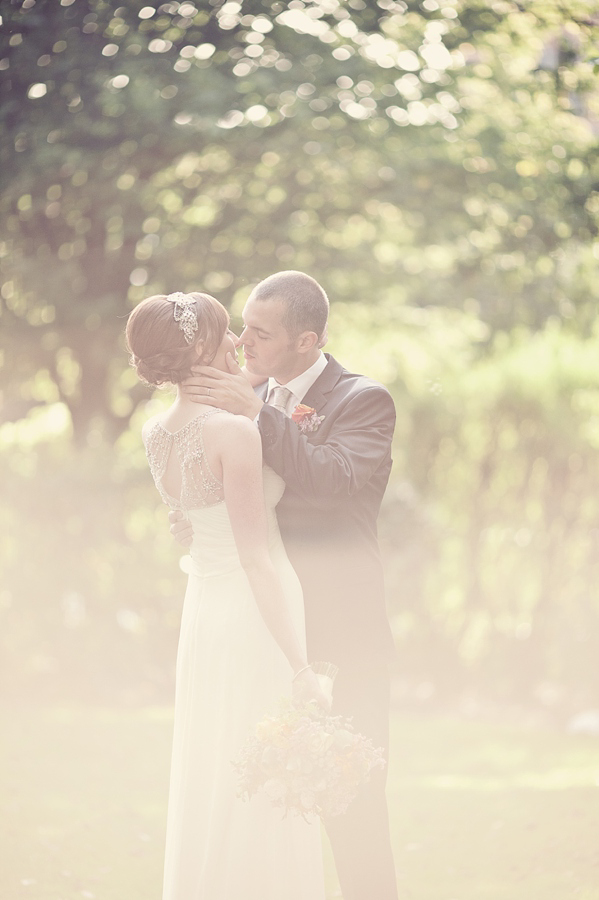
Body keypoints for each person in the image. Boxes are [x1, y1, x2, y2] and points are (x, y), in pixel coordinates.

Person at [171, 271, 399, 900]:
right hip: (265, 630)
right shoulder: (251, 395)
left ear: (308, 340)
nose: (244, 343)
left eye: (261, 333)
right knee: (262, 797)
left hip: (341, 631)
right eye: (244, 326)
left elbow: (335, 478)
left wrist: (261, 419)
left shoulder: (363, 400)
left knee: (351, 801)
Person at [125, 290, 328, 900]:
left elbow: (191, 519)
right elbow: (255, 557)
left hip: (204, 611)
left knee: (218, 762)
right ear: (201, 347)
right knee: (263, 771)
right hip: (251, 610)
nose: (239, 343)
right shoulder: (233, 432)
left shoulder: (157, 431)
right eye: (227, 334)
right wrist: (302, 665)